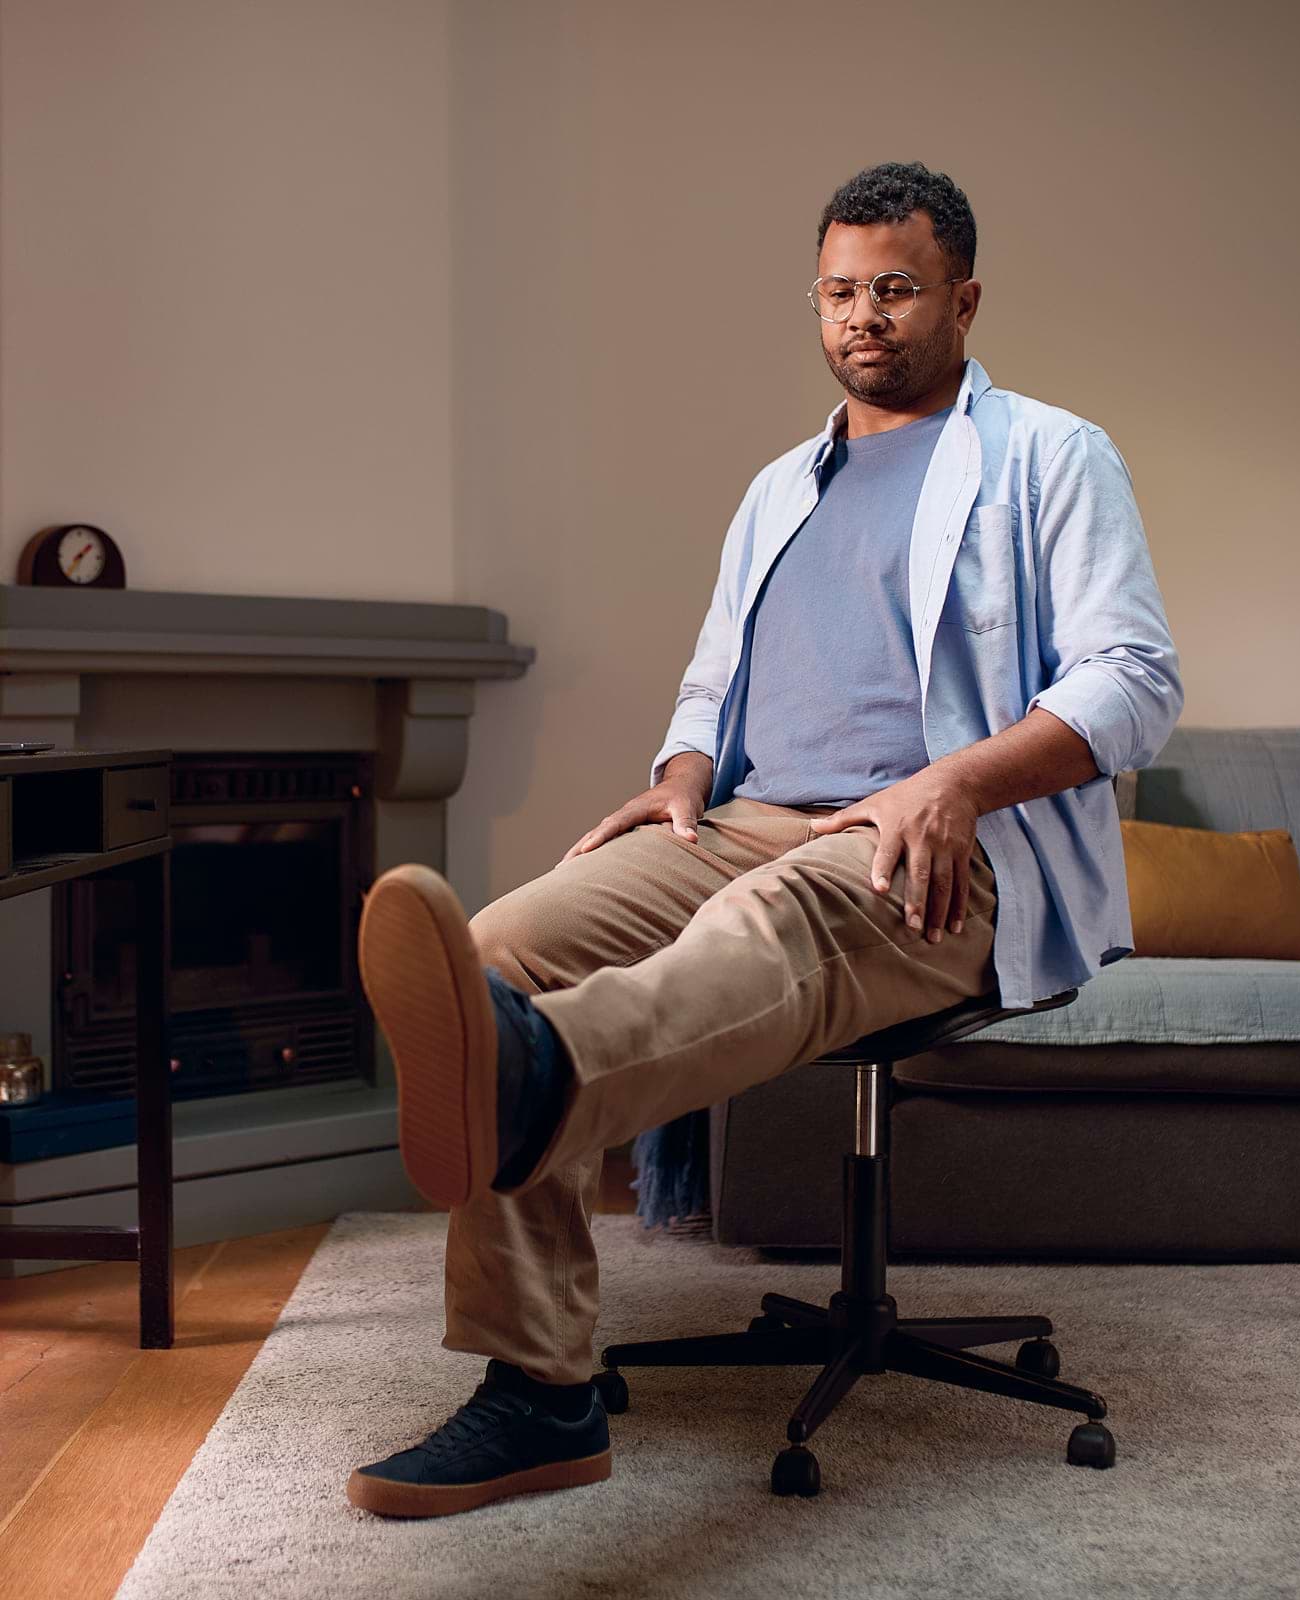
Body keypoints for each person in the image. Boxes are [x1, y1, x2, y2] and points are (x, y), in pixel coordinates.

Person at [345, 159, 1183, 1518]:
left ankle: (532, 1085)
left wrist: (956, 782)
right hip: (743, 819)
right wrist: (680, 769)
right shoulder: (779, 488)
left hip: (937, 854)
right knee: (496, 950)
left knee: (765, 924)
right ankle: (541, 1392)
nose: (866, 317)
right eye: (842, 292)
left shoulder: (1051, 455)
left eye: (898, 290)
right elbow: (713, 679)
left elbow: (1135, 679)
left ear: (963, 299)